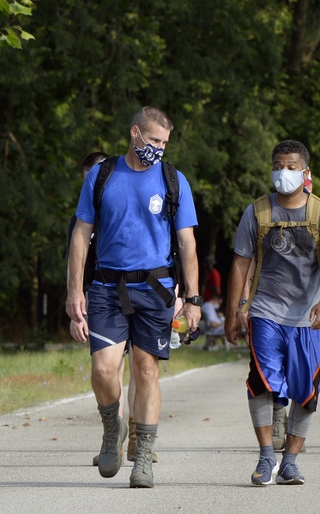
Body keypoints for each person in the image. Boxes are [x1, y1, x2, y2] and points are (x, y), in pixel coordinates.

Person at [66, 106, 200, 488]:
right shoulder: (102, 175)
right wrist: (75, 290)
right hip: (107, 288)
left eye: (164, 143)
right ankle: (113, 427)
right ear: (135, 133)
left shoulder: (174, 180)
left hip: (155, 290)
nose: (158, 148)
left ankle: (143, 456)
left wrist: (192, 298)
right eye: (153, 140)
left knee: (145, 370)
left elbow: (187, 243)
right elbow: (80, 234)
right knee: (104, 368)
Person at [224, 139, 320, 485]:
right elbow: (239, 263)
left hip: (309, 317)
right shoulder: (258, 212)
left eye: (291, 166)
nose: (283, 172)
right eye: (278, 166)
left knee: (306, 392)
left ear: (305, 172)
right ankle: (265, 457)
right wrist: (235, 311)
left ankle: (290, 461)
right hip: (266, 310)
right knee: (261, 382)